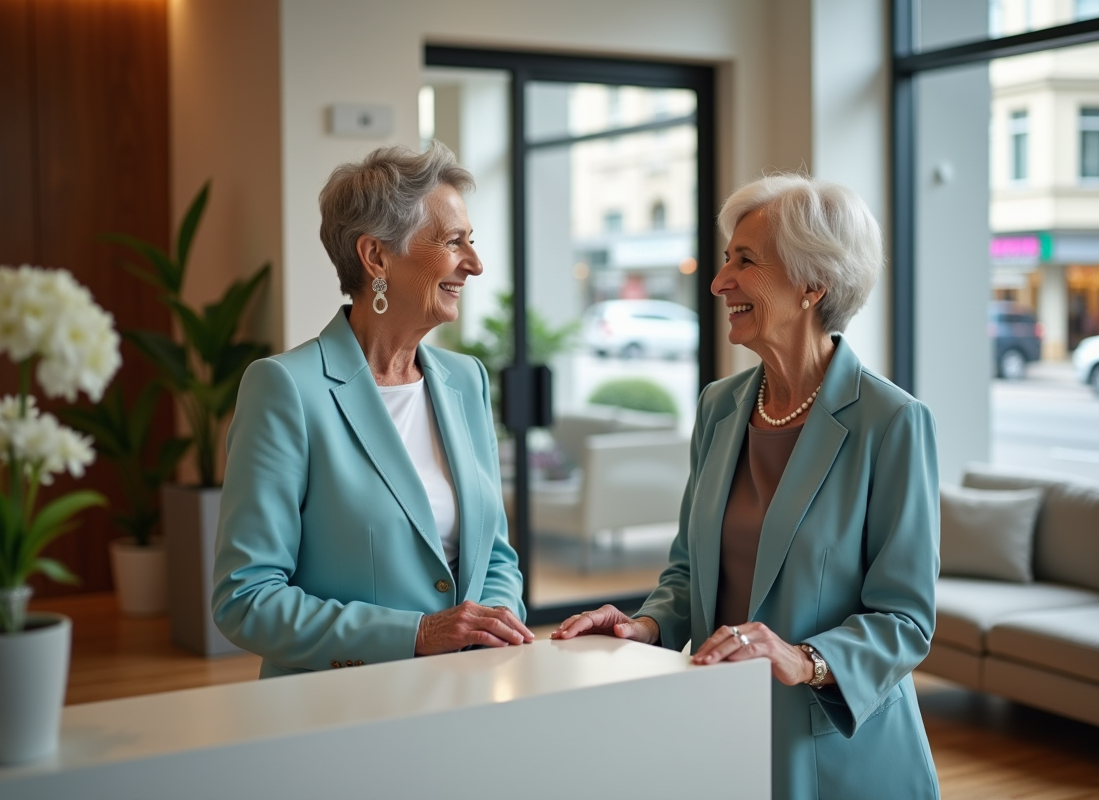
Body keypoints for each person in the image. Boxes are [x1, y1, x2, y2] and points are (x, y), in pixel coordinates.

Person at [553, 174, 940, 799]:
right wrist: (643, 626)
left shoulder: (891, 422)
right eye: (725, 259)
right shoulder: (720, 406)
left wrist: (803, 659)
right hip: (721, 734)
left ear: (813, 284)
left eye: (745, 261)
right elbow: (687, 573)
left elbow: (905, 618)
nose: (718, 281)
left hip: (836, 754)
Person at [213, 142, 532, 678]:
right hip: (342, 708)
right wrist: (417, 635)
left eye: (471, 242)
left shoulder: (466, 380)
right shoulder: (284, 388)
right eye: (454, 242)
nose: (475, 265)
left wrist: (494, 623)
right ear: (376, 256)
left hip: (469, 694)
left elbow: (496, 555)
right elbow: (246, 599)